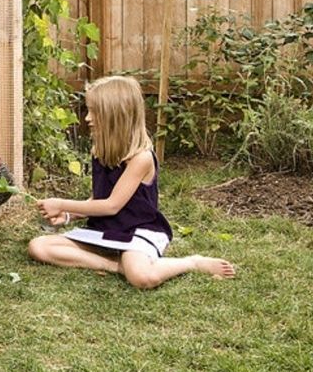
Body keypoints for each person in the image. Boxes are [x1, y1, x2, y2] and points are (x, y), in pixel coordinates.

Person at [28, 75, 235, 289]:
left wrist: (61, 204)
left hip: (137, 231)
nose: (87, 118)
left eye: (94, 112)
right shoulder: (100, 150)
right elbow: (98, 199)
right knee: (39, 246)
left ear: (116, 116)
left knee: (142, 278)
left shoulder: (140, 158)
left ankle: (191, 262)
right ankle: (115, 266)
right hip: (105, 230)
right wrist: (71, 215)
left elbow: (111, 205)